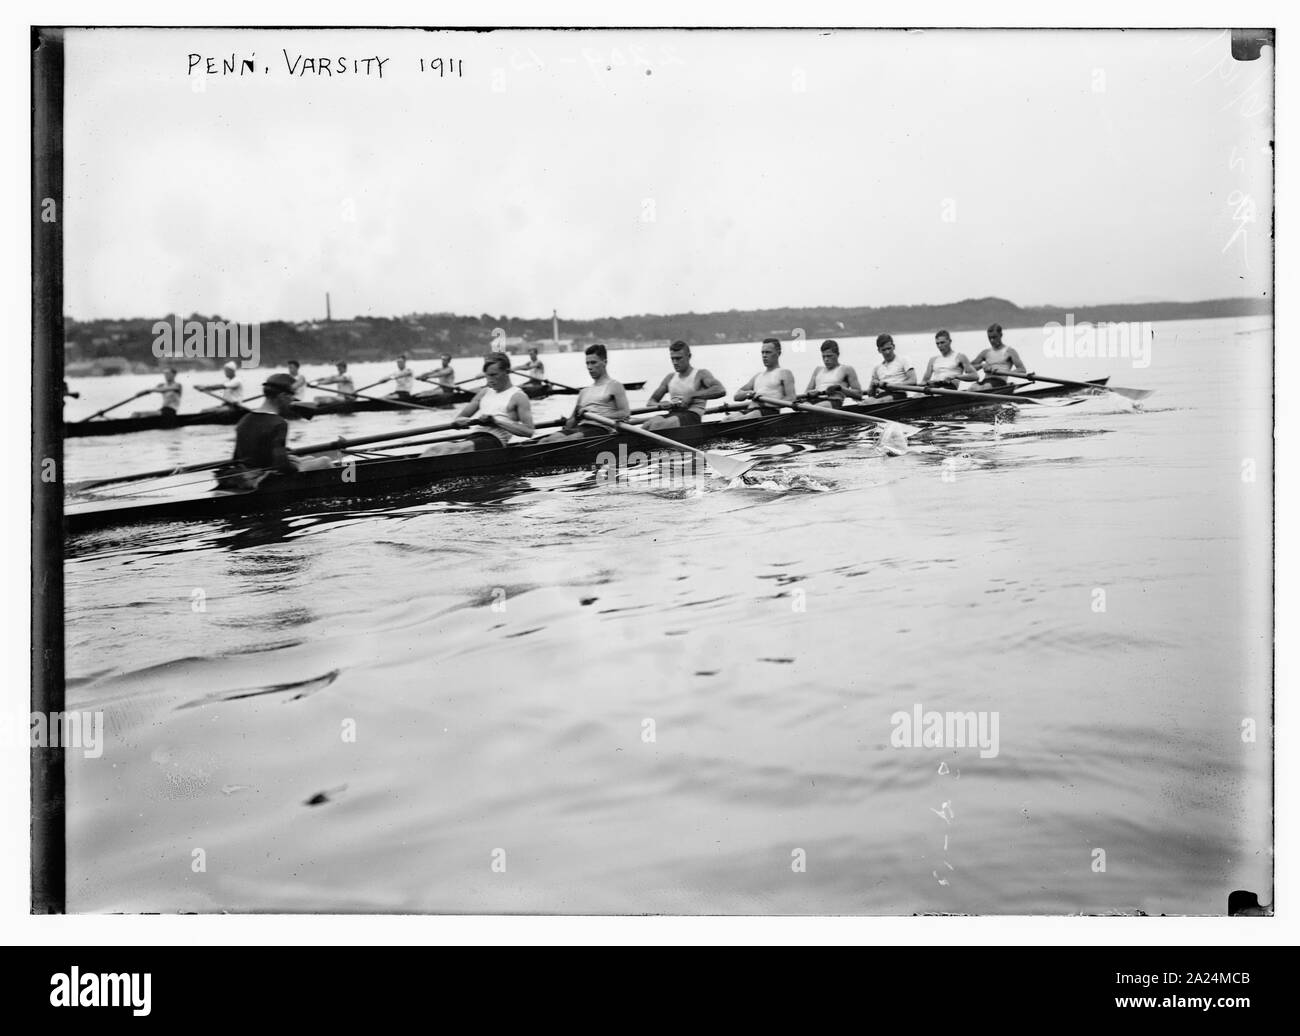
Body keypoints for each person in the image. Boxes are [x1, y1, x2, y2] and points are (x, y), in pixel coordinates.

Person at [216, 373, 335, 490]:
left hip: (247, 473)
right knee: (325, 460)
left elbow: (237, 458)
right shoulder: (279, 423)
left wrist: (292, 459)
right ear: (282, 396)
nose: (293, 400)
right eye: (291, 396)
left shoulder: (245, 419)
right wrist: (294, 465)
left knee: (307, 458)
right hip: (268, 478)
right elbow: (281, 465)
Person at [419, 354, 536, 456]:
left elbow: (529, 431)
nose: (489, 380)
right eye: (487, 375)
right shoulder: (484, 392)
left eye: (494, 375)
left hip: (494, 441)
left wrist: (495, 421)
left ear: (507, 372)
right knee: (433, 450)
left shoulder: (519, 396)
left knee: (450, 449)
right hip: (475, 437)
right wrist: (460, 421)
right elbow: (461, 416)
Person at [539, 344, 630, 441]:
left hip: (601, 430)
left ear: (605, 362)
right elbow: (570, 425)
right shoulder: (584, 392)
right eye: (587, 363)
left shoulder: (615, 386)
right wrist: (575, 417)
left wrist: (595, 416)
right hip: (581, 428)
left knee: (561, 441)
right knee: (544, 441)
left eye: (593, 363)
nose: (589, 367)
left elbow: (625, 414)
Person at [643, 340, 726, 429]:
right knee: (646, 426)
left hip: (692, 416)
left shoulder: (701, 374)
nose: (675, 362)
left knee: (657, 425)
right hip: (673, 414)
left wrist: (692, 395)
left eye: (678, 358)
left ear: (689, 356)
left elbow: (720, 390)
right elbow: (650, 402)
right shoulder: (670, 377)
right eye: (672, 359)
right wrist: (660, 405)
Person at [735, 338, 796, 413]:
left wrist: (766, 403)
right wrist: (749, 394)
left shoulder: (785, 373)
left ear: (778, 353)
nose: (764, 355)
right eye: (762, 352)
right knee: (728, 419)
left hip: (768, 413)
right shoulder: (757, 376)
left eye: (768, 352)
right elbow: (736, 396)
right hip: (751, 411)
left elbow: (791, 398)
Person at [804, 340, 863, 408]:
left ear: (837, 355)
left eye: (829, 356)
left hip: (833, 401)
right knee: (802, 405)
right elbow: (806, 392)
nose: (826, 359)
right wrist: (810, 393)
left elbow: (859, 394)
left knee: (810, 408)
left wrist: (840, 389)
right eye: (823, 356)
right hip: (815, 400)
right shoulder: (818, 370)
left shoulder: (847, 369)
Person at [970, 323, 1028, 391]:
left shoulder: (1010, 351)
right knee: (972, 388)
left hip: (1000, 382)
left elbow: (1022, 370)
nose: (992, 340)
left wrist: (1003, 371)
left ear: (1001, 335)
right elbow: (969, 368)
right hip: (985, 381)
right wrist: (981, 365)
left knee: (986, 387)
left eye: (994, 337)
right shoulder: (985, 352)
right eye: (989, 338)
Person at [867, 334, 917, 399]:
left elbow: (913, 381)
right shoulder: (877, 367)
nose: (887, 352)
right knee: (866, 402)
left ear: (894, 346)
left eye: (889, 348)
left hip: (898, 394)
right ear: (879, 350)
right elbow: (870, 394)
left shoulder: (904, 360)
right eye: (884, 350)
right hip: (883, 395)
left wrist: (892, 386)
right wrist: (873, 386)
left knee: (877, 401)